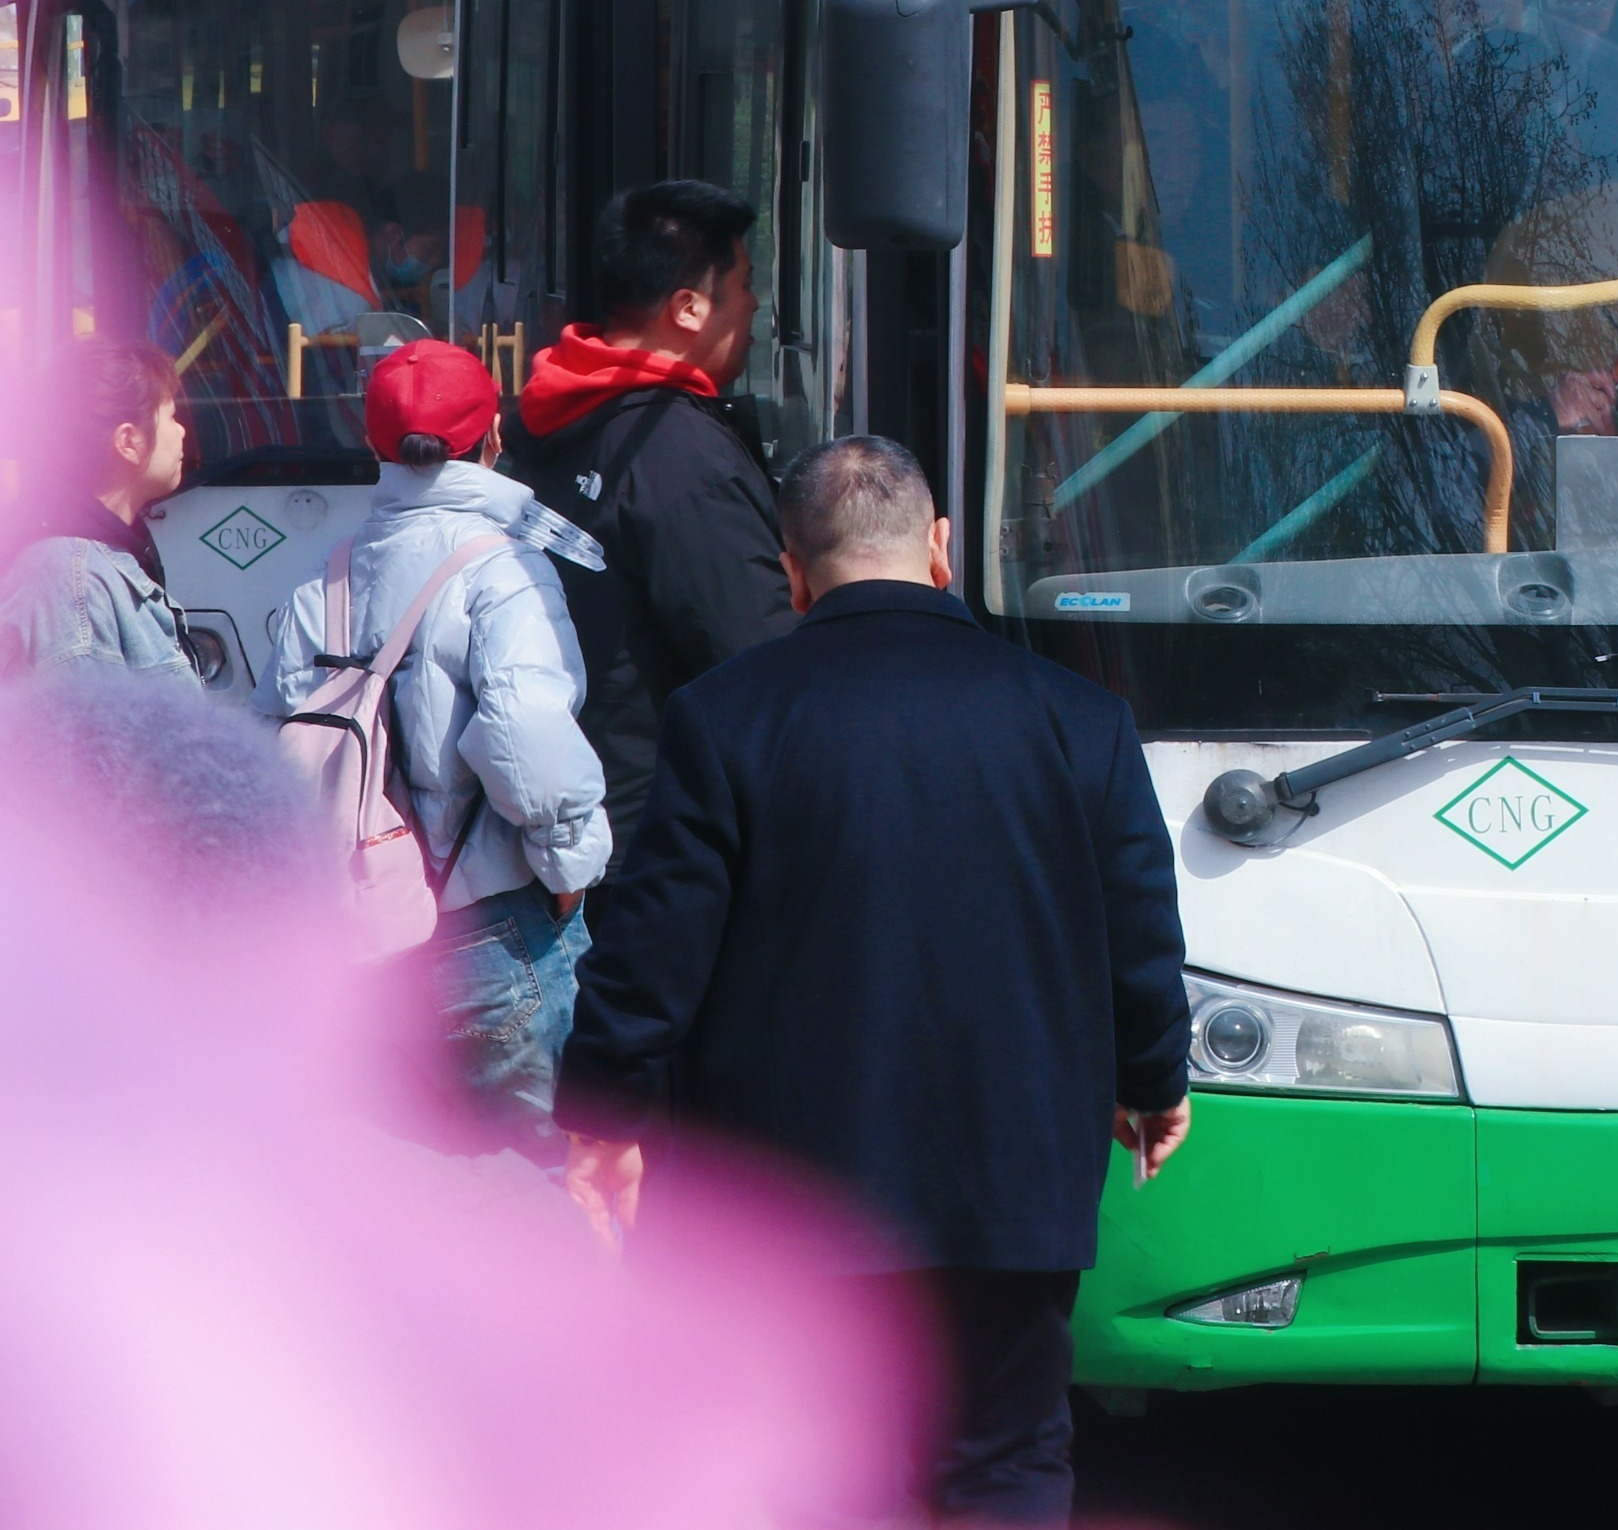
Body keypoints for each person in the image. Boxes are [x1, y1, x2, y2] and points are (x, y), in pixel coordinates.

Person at [558, 436, 1191, 1525]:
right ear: (941, 548)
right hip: (1015, 1177)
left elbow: (654, 949)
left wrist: (604, 1111)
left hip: (789, 1190)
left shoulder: (724, 715)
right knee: (1006, 1455)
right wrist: (1154, 1076)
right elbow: (1140, 926)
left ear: (793, 570)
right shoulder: (1079, 719)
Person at [261, 341, 610, 1149]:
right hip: (490, 932)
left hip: (361, 948)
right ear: (492, 435)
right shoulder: (504, 570)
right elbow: (525, 736)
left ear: (375, 447)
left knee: (408, 1210)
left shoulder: (325, 574)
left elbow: (273, 733)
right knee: (535, 1196)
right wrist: (568, 867)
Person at [502, 182, 794, 879]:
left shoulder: (550, 417)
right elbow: (759, 662)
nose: (756, 305)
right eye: (745, 284)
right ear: (689, 308)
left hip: (571, 835)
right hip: (654, 849)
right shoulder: (677, 454)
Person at [0, 339, 196, 683]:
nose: (182, 431)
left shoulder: (92, 563)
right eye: (170, 415)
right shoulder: (71, 581)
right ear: (128, 442)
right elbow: (89, 732)